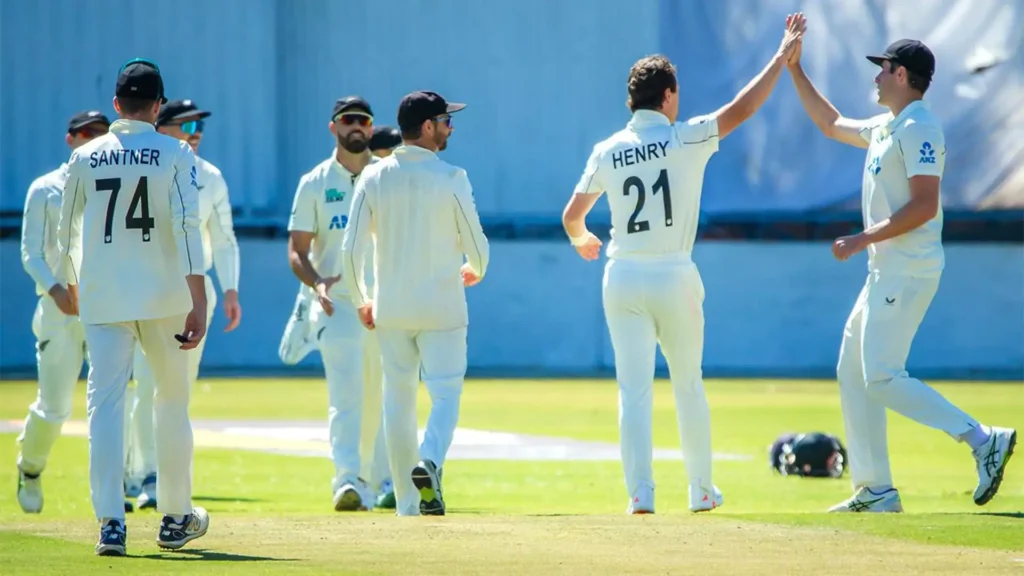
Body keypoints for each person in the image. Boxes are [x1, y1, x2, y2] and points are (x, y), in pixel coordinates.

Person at [560, 15, 805, 514]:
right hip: (673, 274)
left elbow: (571, 217)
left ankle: (639, 495)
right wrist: (782, 57)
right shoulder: (686, 137)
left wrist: (583, 239)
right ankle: (701, 491)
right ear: (668, 95)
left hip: (622, 275)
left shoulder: (607, 149)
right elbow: (745, 107)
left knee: (633, 392)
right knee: (688, 384)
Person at [786, 37, 1016, 512]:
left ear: (903, 75)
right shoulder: (887, 126)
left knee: (883, 377)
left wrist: (862, 238)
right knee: (853, 371)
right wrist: (794, 69)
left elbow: (925, 205)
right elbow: (830, 124)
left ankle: (981, 439)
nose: (875, 76)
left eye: (883, 68)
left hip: (908, 270)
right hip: (884, 271)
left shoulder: (920, 129)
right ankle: (875, 490)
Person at [56, 57, 210, 555]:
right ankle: (174, 517)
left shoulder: (86, 156)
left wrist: (74, 282)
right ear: (158, 105)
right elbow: (189, 227)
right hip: (165, 294)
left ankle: (110, 524)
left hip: (105, 297)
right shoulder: (177, 153)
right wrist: (198, 296)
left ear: (117, 104)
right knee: (170, 402)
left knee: (105, 406)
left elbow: (67, 231)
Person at [341, 90, 489, 516]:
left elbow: (351, 251)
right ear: (427, 127)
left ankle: (408, 502)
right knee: (445, 394)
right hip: (442, 307)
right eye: (445, 120)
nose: (450, 127)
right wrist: (477, 267)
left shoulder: (373, 177)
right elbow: (476, 243)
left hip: (392, 309)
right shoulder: (452, 177)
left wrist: (362, 300)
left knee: (398, 400)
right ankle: (431, 461)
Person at [124, 98, 242, 511]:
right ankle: (145, 473)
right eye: (186, 127)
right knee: (145, 385)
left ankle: (169, 478)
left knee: (178, 390)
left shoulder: (210, 176)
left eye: (198, 129)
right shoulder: (144, 167)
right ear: (162, 127)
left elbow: (223, 238)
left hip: (194, 289)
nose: (195, 136)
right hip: (148, 286)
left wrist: (229, 290)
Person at [286, 96, 391, 511]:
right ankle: (347, 481)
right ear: (333, 127)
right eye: (349, 120)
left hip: (384, 304)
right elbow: (297, 249)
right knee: (346, 396)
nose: (357, 128)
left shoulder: (387, 176)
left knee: (384, 397)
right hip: (338, 305)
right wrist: (316, 284)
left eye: (363, 121)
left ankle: (385, 482)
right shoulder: (315, 181)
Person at [15, 110, 110, 514]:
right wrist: (56, 291)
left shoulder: (110, 185)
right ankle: (31, 468)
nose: (94, 141)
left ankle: (113, 493)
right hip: (60, 312)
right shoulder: (45, 188)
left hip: (106, 308)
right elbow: (30, 253)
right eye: (87, 134)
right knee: (55, 408)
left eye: (102, 135)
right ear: (70, 138)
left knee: (110, 402)